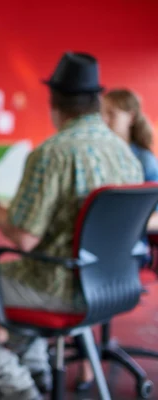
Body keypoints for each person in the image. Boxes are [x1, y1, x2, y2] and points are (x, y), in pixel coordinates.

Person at [0, 52, 143, 400]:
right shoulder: (124, 152)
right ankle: (36, 368)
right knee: (10, 275)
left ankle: (17, 385)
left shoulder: (51, 153)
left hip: (58, 287)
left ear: (55, 102)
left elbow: (24, 237)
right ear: (95, 101)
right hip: (114, 283)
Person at [75, 87, 158, 390]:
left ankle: (86, 362)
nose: (105, 120)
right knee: (77, 265)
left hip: (128, 250)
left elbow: (152, 214)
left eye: (112, 113)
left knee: (82, 271)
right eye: (102, 113)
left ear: (131, 117)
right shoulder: (99, 155)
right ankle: (85, 359)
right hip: (97, 246)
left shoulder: (144, 160)